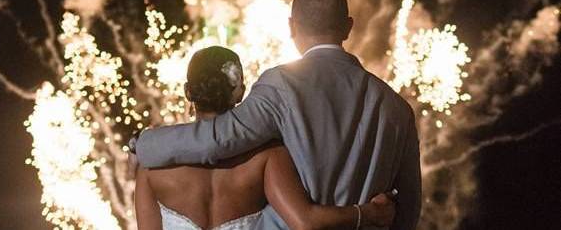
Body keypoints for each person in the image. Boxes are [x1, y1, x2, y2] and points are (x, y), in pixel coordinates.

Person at [131, 0, 421, 229]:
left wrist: (144, 144)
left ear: (292, 27)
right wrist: (366, 215)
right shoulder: (396, 107)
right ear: (348, 27)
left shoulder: (280, 86)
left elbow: (217, 138)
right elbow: (408, 210)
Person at [135, 46, 396, 230]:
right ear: (240, 92)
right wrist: (368, 214)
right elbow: (305, 222)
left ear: (187, 92)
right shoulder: (266, 157)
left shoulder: (152, 167)